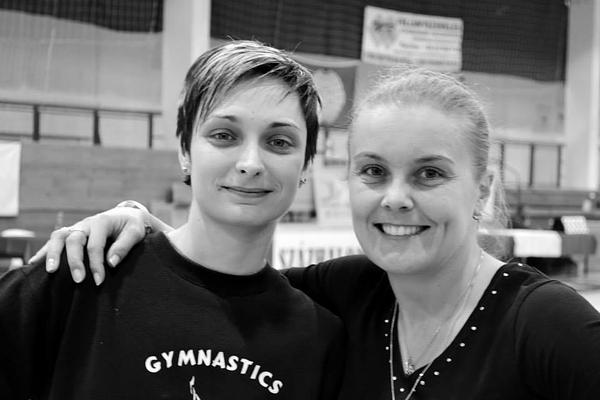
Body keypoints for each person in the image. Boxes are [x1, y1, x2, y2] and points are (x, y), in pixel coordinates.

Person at [29, 67, 600, 399]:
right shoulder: (348, 295)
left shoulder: (548, 325)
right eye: (373, 171)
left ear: (482, 188)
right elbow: (220, 279)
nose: (396, 197)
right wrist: (141, 224)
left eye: (429, 173)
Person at [0, 40, 345, 400]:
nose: (251, 163)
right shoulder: (82, 274)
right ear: (184, 151)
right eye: (224, 135)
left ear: (306, 166)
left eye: (279, 142)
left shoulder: (319, 338)